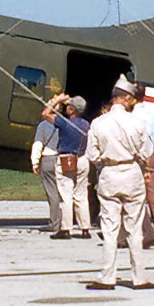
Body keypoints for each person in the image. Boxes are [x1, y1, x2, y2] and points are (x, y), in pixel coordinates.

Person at [84, 78, 154, 290]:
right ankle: (139, 277)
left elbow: (92, 155)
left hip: (109, 173)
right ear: (127, 98)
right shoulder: (137, 122)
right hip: (132, 173)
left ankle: (107, 277)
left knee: (109, 229)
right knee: (135, 228)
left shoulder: (98, 123)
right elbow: (147, 152)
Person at [43, 94, 92, 240]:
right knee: (81, 195)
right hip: (82, 160)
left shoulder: (64, 122)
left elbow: (45, 114)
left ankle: (66, 228)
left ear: (71, 110)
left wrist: (57, 100)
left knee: (66, 195)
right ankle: (85, 228)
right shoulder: (86, 124)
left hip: (66, 160)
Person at [130, 83, 154, 248]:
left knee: (135, 197)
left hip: (135, 156)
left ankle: (143, 232)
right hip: (151, 154)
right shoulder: (152, 113)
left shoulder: (131, 115)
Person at [30, 114, 62, 232]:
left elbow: (38, 144)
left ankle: (55, 222)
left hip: (48, 158)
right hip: (62, 158)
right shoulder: (64, 123)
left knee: (52, 192)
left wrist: (35, 162)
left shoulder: (43, 125)